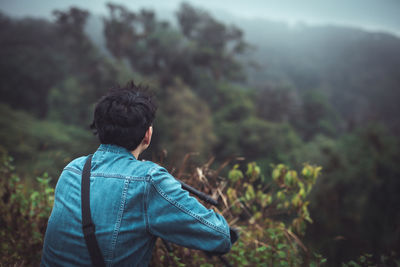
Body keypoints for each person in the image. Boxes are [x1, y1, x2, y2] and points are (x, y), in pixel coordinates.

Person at [41, 81, 237, 266]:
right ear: (147, 135)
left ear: (99, 128)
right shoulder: (148, 181)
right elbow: (220, 237)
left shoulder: (73, 169)